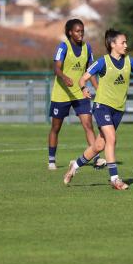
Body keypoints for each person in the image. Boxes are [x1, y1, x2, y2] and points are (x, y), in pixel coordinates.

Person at [63, 28, 133, 190]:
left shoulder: (130, 61)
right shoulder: (103, 62)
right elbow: (83, 79)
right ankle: (115, 179)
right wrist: (84, 88)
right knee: (112, 139)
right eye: (123, 42)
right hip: (102, 106)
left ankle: (74, 166)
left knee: (99, 146)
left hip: (118, 109)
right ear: (112, 44)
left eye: (126, 42)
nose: (126, 45)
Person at [48, 19, 106, 170]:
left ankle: (96, 158)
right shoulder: (63, 46)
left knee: (88, 125)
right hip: (62, 94)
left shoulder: (87, 48)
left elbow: (90, 71)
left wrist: (97, 87)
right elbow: (56, 68)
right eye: (77, 31)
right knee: (56, 127)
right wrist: (64, 77)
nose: (80, 33)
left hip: (80, 93)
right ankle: (51, 160)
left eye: (82, 31)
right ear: (70, 32)